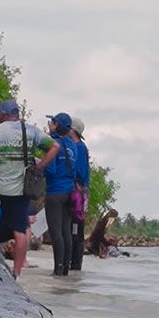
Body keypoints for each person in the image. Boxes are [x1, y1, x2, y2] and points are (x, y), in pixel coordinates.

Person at [0, 98, 58, 277]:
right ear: (17, 114)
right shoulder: (31, 130)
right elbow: (55, 147)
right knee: (20, 229)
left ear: (2, 114)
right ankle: (17, 271)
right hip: (21, 187)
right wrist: (39, 168)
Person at [41, 113, 82, 276]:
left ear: (57, 125)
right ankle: (65, 268)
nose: (49, 124)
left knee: (55, 232)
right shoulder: (72, 145)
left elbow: (50, 170)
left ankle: (57, 269)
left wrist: (39, 165)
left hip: (55, 192)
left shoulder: (53, 144)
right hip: (69, 191)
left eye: (52, 122)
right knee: (66, 230)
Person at [67, 116, 91, 271]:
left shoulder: (80, 148)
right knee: (70, 227)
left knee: (77, 229)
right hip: (75, 192)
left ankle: (76, 265)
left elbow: (81, 173)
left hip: (79, 194)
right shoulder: (73, 146)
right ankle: (71, 263)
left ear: (73, 130)